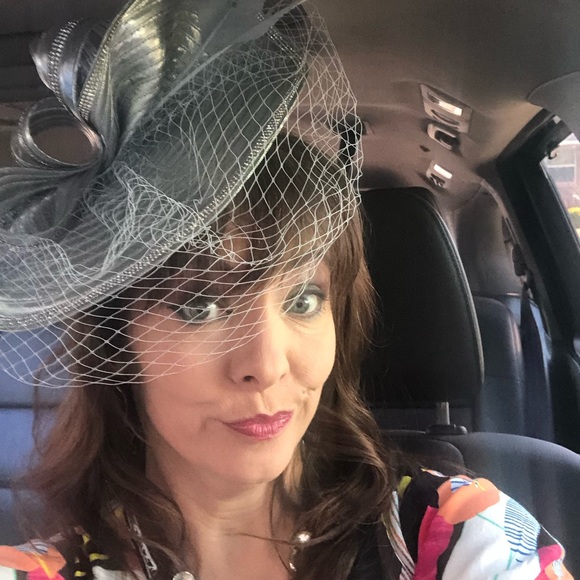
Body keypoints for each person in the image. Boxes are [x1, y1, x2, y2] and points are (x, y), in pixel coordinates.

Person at [0, 1, 572, 579]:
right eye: (201, 305)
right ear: (116, 338)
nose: (267, 366)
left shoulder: (457, 535)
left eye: (303, 300)